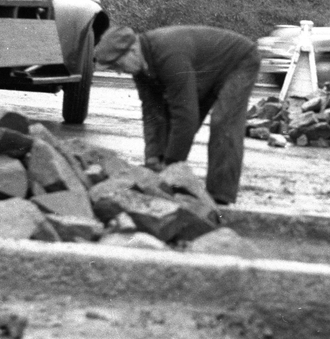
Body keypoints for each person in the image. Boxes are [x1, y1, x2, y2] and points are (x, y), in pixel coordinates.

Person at [93, 24, 261, 205]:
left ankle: (220, 196)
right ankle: (166, 173)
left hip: (239, 61)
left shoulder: (169, 57)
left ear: (132, 50)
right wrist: (153, 157)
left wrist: (171, 165)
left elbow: (185, 116)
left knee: (223, 121)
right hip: (205, 69)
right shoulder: (141, 68)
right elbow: (152, 113)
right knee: (170, 121)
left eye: (117, 64)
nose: (118, 71)